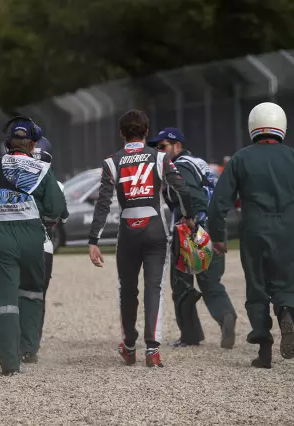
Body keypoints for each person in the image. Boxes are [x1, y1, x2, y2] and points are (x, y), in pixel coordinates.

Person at [208, 102, 294, 369]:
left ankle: (264, 349)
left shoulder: (240, 158)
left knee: (257, 288)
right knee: (285, 283)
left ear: (252, 126)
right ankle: (285, 312)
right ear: (281, 125)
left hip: (253, 231)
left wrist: (218, 236)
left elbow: (219, 202)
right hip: (285, 231)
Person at [88, 110, 195, 368]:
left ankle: (129, 346)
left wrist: (94, 240)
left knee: (128, 290)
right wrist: (189, 217)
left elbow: (102, 204)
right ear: (146, 132)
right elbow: (181, 189)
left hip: (128, 230)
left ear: (122, 134)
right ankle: (152, 349)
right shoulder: (160, 157)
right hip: (155, 228)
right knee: (154, 287)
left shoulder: (111, 161)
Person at [0, 116, 67, 376]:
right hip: (32, 235)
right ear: (34, 143)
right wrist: (45, 221)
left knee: (5, 299)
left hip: (2, 236)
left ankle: (9, 362)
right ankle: (29, 348)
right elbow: (57, 208)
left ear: (7, 143)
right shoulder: (43, 170)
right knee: (33, 292)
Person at [147, 127, 237, 349]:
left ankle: (190, 335)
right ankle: (226, 315)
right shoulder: (200, 164)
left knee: (181, 285)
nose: (159, 151)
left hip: (190, 231)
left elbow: (192, 196)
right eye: (156, 147)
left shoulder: (179, 167)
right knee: (211, 282)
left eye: (163, 146)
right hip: (213, 229)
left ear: (177, 146)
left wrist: (192, 220)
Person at [32, 136, 70, 342]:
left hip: (13, 243)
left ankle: (17, 340)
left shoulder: (12, 178)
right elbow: (60, 215)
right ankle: (32, 343)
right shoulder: (56, 184)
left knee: (15, 294)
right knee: (38, 296)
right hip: (42, 244)